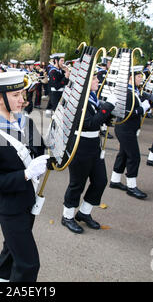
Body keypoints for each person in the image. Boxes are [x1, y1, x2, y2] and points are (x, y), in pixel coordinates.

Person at [0, 71, 48, 282]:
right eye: (16, 95)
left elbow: (40, 150)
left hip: (28, 199)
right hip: (10, 207)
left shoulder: (24, 122)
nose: (22, 100)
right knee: (28, 264)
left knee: (11, 251)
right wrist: (26, 173)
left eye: (22, 94)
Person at [61, 70, 117, 234]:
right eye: (94, 78)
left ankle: (84, 213)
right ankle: (67, 216)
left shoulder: (92, 97)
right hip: (80, 145)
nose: (97, 80)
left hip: (93, 144)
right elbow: (91, 123)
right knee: (77, 184)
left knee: (100, 181)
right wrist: (108, 107)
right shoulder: (78, 99)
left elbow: (101, 118)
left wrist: (108, 111)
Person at [109, 66, 151, 200]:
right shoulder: (127, 92)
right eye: (139, 77)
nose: (141, 79)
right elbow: (127, 113)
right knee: (134, 156)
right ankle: (131, 186)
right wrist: (142, 109)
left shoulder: (134, 91)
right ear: (131, 78)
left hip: (128, 128)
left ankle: (115, 180)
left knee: (124, 154)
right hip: (125, 128)